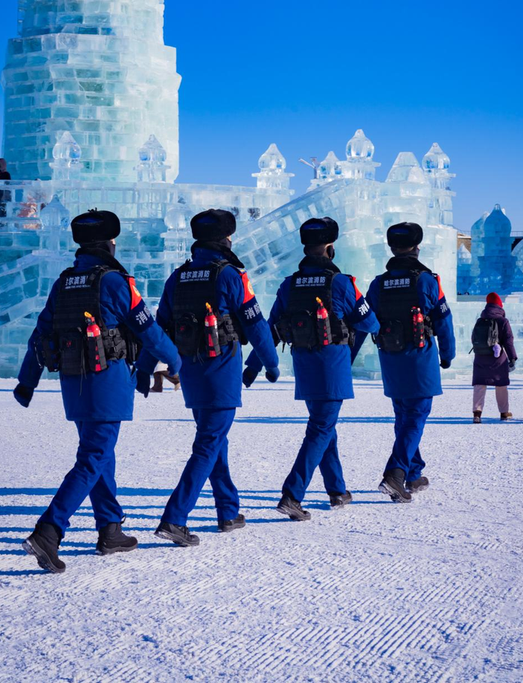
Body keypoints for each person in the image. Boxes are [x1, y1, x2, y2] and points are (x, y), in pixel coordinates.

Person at [14, 209, 181, 574]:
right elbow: (148, 330)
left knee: (99, 455)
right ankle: (49, 530)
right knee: (93, 458)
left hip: (74, 383)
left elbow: (40, 334)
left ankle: (110, 529)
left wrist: (27, 381)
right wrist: (175, 360)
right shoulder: (115, 282)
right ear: (110, 242)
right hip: (107, 383)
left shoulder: (64, 283)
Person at [148, 208, 279, 546]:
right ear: (225, 239)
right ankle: (174, 518)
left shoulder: (177, 277)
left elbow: (158, 328)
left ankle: (228, 511)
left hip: (191, 371)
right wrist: (271, 362)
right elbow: (255, 323)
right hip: (221, 369)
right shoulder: (229, 275)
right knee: (208, 443)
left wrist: (146, 367)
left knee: (214, 439)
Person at [245, 217, 379, 521]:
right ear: (330, 248)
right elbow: (370, 323)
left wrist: (255, 364)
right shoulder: (342, 283)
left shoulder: (289, 284)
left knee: (324, 428)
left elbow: (270, 328)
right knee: (320, 429)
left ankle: (337, 490)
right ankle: (292, 494)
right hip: (332, 368)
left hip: (304, 366)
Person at [352, 222, 455, 503]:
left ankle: (413, 472)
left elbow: (362, 323)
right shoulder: (426, 280)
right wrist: (447, 354)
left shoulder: (378, 283)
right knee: (417, 414)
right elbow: (444, 320)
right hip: (419, 358)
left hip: (390, 358)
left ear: (391, 247)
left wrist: (348, 357)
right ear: (417, 247)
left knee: (403, 416)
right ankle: (395, 475)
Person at [470, 292, 517, 423]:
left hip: (480, 356)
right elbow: (508, 340)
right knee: (500, 384)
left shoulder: (480, 320)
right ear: (500, 305)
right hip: (498, 358)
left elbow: (473, 338)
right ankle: (504, 413)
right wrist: (512, 358)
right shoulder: (503, 321)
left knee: (480, 384)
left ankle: (477, 413)